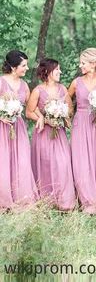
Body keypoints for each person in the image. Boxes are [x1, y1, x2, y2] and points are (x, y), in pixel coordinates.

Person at [26, 58, 76, 211]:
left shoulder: (62, 89)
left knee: (63, 164)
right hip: (43, 135)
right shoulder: (38, 91)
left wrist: (62, 115)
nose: (60, 72)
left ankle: (64, 202)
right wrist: (45, 119)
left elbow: (70, 109)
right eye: (57, 70)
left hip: (59, 134)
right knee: (46, 166)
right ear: (48, 72)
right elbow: (29, 112)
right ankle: (47, 202)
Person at [68, 48, 96, 214]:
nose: (80, 65)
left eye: (83, 63)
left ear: (93, 64)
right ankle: (86, 200)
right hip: (81, 122)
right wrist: (69, 114)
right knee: (81, 160)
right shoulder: (76, 82)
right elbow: (67, 98)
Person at [0, 50, 38, 209]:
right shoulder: (1, 82)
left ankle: (21, 198)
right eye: (24, 65)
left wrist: (47, 114)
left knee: (21, 161)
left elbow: (31, 108)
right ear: (13, 67)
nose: (27, 68)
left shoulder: (24, 86)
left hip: (18, 128)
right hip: (2, 127)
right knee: (3, 162)